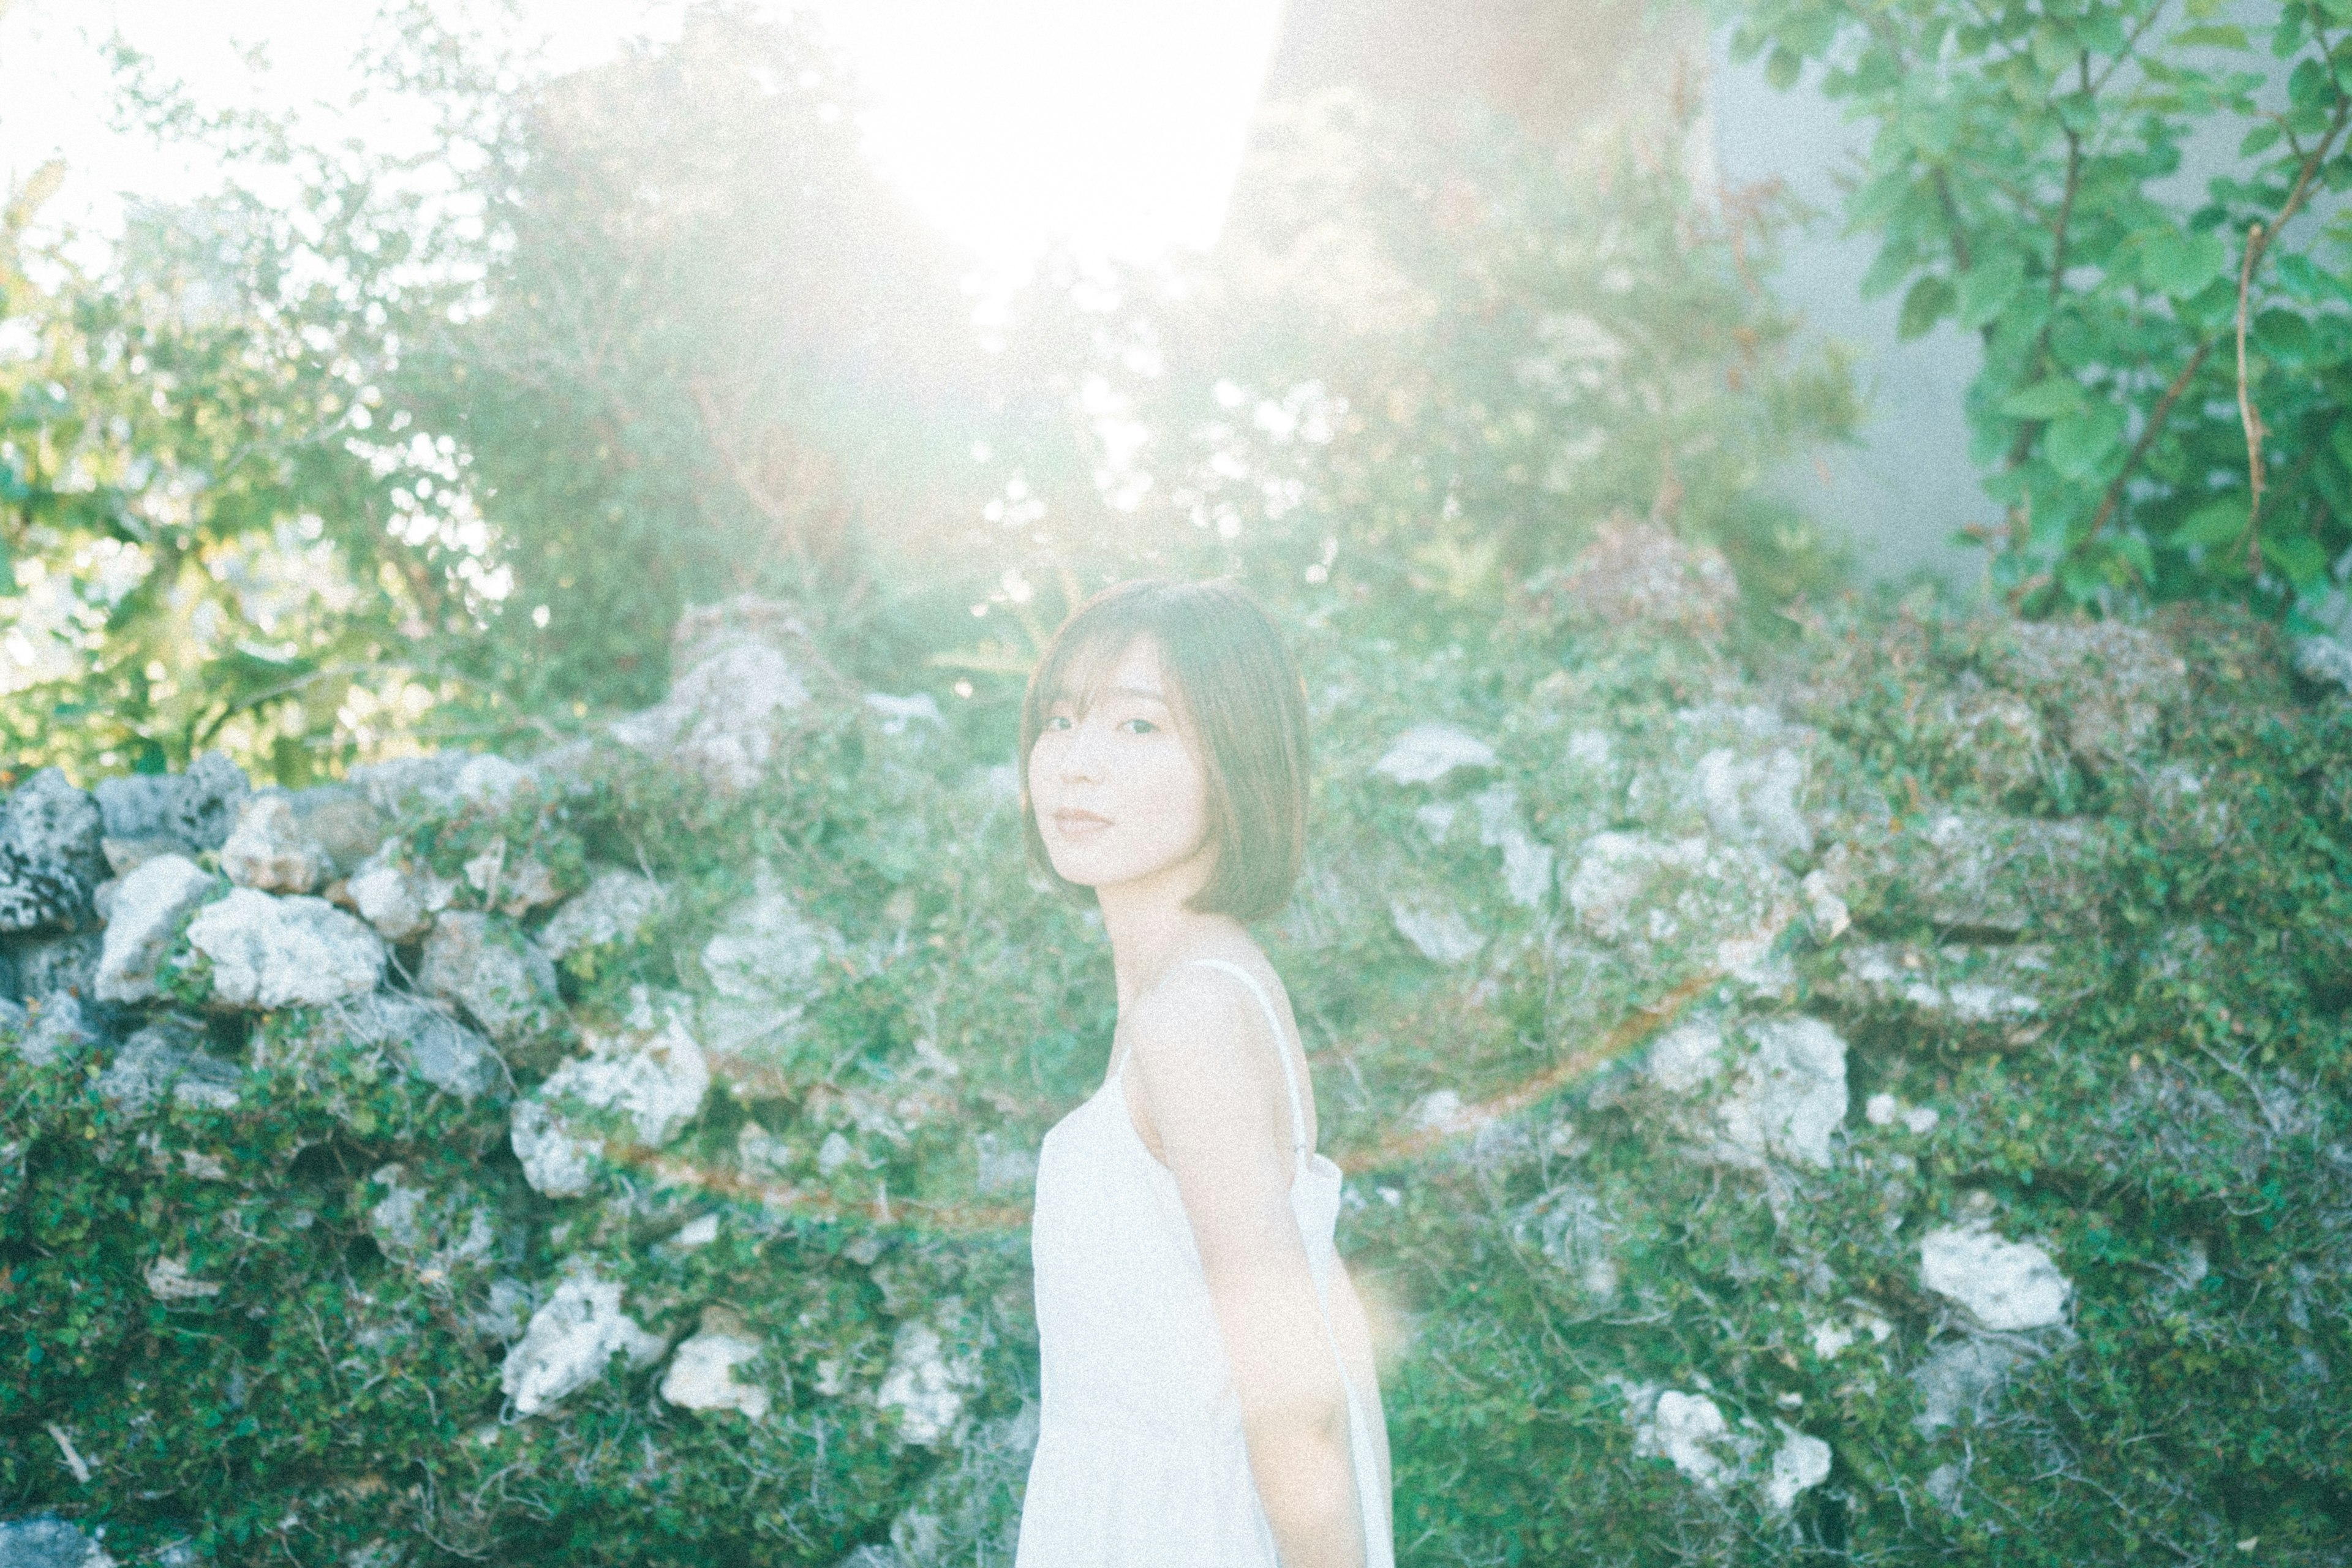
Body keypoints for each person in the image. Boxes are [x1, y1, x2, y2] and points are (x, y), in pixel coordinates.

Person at [1011, 578, 1395, 1568]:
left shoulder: (1196, 1018)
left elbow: (1291, 1394)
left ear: (1237, 761)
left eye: (1139, 727)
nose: (1078, 765)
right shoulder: (1186, 993)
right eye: (1062, 720)